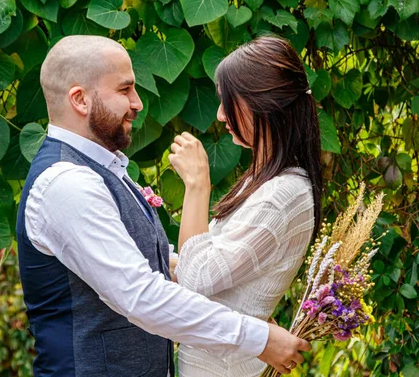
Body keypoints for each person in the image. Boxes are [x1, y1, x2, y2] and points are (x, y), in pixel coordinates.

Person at [15, 35, 310, 377]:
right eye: (125, 90)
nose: (138, 103)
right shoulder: (67, 183)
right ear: (80, 100)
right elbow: (140, 296)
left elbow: (138, 260)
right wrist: (257, 337)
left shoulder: (103, 170)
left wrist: (239, 301)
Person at [168, 36, 323, 376]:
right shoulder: (265, 183)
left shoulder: (285, 195)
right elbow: (198, 265)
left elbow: (197, 278)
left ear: (262, 104)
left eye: (228, 101)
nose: (220, 114)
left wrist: (197, 185)